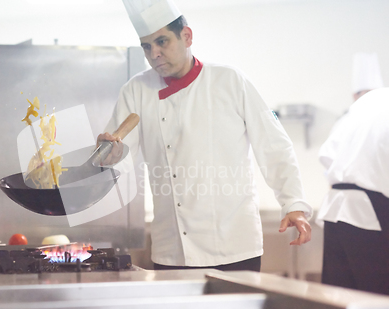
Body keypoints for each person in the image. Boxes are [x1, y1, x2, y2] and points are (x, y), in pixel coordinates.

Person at [98, 0, 312, 272]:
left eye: (162, 42)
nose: (155, 54)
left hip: (234, 245)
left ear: (186, 36)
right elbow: (120, 156)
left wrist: (292, 203)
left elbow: (274, 146)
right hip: (172, 250)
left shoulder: (229, 80)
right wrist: (110, 155)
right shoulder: (136, 90)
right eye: (147, 47)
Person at [316, 54, 389, 295]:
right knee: (377, 300)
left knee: (342, 300)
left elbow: (326, 155)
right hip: (372, 213)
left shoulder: (360, 108)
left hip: (337, 212)